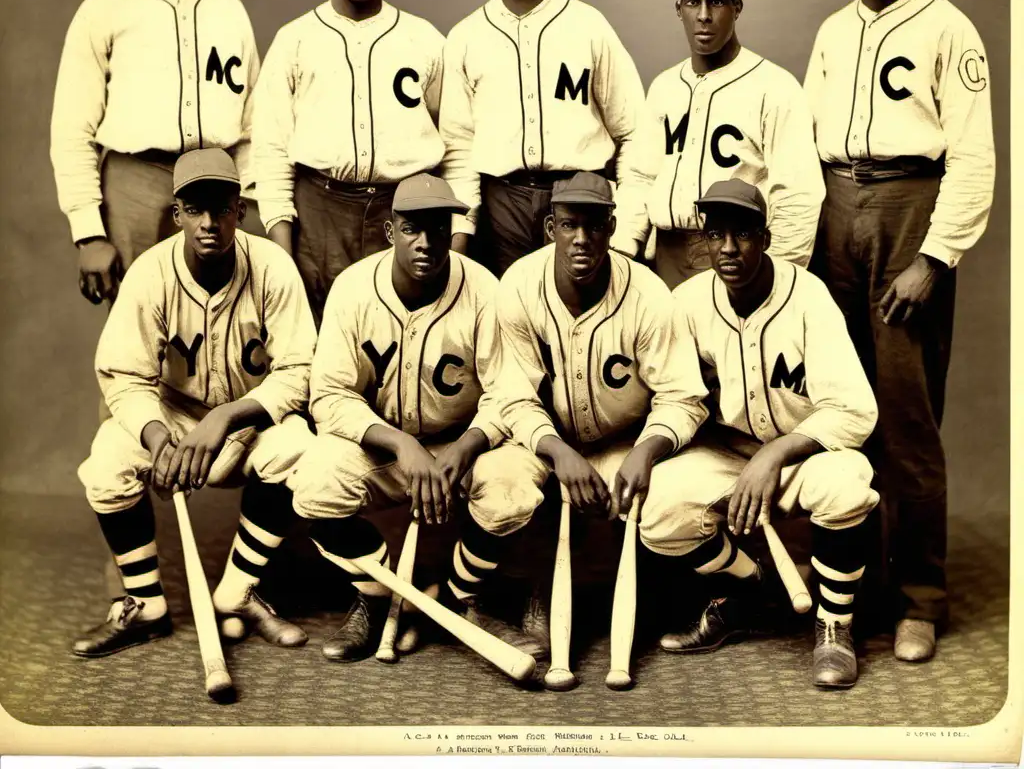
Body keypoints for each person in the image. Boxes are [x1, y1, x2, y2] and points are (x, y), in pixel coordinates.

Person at [803, 0, 995, 663]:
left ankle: (920, 598)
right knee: (841, 406)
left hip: (910, 206)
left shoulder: (948, 25)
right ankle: (854, 591)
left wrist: (936, 256)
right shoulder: (831, 30)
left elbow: (976, 154)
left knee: (907, 417)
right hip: (836, 205)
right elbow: (808, 142)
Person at [458, 171, 709, 688]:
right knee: (501, 492)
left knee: (666, 506)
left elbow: (683, 397)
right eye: (569, 224)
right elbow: (512, 394)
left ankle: (706, 597)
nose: (582, 239)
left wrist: (647, 451)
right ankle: (473, 596)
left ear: (612, 227)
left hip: (623, 440)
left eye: (594, 226)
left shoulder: (647, 293)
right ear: (551, 226)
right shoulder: (520, 286)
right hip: (538, 437)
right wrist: (556, 452)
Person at [73, 149, 317, 657]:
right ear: (177, 212)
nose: (210, 223)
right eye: (196, 209)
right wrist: (158, 438)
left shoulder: (272, 266)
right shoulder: (149, 273)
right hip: (174, 418)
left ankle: (238, 593)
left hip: (248, 420)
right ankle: (145, 603)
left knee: (300, 451)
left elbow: (300, 370)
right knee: (106, 464)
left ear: (240, 211)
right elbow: (123, 375)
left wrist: (229, 418)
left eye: (222, 209)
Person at [290, 173, 541, 665]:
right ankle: (377, 595)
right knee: (315, 484)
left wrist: (468, 446)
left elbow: (508, 391)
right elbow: (330, 394)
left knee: (515, 490)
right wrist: (400, 445)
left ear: (452, 230)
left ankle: (451, 593)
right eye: (411, 229)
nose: (425, 243)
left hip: (462, 444)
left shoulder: (484, 289)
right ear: (390, 231)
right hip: (382, 447)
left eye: (437, 228)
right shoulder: (354, 287)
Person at [665, 179, 879, 688]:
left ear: (765, 236)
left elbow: (855, 411)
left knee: (849, 484)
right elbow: (681, 399)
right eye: (716, 235)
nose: (729, 249)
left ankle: (835, 625)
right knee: (658, 511)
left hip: (803, 453)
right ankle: (757, 593)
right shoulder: (688, 301)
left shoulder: (809, 297)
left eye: (742, 234)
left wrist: (777, 454)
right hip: (730, 454)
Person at [51, 0, 260, 305]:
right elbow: (72, 130)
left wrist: (252, 202)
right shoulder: (103, 9)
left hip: (214, 182)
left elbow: (251, 126)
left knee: (222, 322)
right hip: (134, 184)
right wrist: (88, 232)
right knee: (140, 330)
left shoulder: (229, 12)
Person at [439, 0, 649, 276]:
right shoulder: (466, 36)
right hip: (503, 204)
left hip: (580, 196)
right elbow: (459, 150)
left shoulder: (588, 25)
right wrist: (462, 236)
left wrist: (629, 233)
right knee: (508, 322)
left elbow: (636, 132)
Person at [254, 0, 446, 320]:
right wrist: (284, 251)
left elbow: (454, 145)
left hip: (402, 209)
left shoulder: (424, 39)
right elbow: (269, 152)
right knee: (320, 345)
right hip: (319, 214)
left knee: (400, 334)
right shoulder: (295, 40)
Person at [630, 0, 823, 289]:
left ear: (737, 8)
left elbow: (798, 195)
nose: (704, 15)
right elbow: (640, 176)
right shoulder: (663, 87)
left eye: (717, 3)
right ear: (679, 9)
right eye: (693, 2)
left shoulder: (775, 86)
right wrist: (626, 248)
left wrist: (779, 279)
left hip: (736, 256)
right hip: (666, 256)